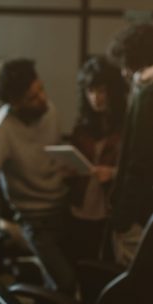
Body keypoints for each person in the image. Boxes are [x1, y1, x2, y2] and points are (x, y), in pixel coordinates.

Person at [0, 59, 76, 295]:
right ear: (15, 103)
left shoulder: (49, 109)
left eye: (41, 89)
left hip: (64, 208)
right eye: (32, 98)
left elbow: (50, 155)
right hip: (34, 220)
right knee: (66, 283)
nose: (42, 98)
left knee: (89, 274)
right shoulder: (2, 130)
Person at [107, 23, 153, 304]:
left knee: (138, 301)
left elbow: (138, 166)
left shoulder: (146, 93)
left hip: (139, 217)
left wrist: (121, 219)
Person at [68, 55, 127, 262]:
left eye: (101, 90)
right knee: (82, 262)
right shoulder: (82, 126)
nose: (96, 98)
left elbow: (140, 172)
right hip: (80, 207)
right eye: (90, 91)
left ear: (113, 91)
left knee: (105, 266)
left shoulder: (127, 125)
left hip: (110, 210)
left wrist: (112, 173)